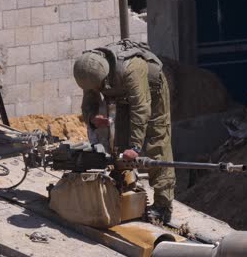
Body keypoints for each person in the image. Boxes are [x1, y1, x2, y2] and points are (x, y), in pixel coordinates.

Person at [73, 39, 175, 223]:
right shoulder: (90, 70)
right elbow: (90, 99)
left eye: (99, 87)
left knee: (157, 144)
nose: (98, 90)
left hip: (152, 93)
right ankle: (120, 186)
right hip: (123, 95)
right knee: (117, 143)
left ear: (104, 77)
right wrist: (92, 118)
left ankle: (163, 205)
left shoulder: (132, 68)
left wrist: (135, 147)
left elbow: (141, 109)